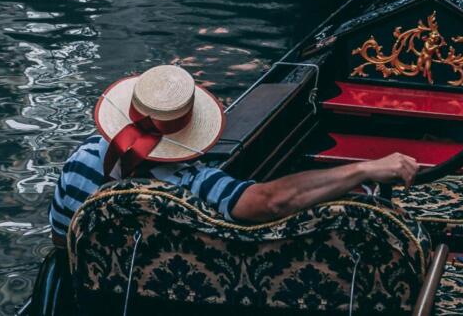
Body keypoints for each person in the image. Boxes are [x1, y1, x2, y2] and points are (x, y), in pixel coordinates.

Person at [46, 64, 420, 257]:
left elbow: (65, 246)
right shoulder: (192, 183)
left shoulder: (78, 166)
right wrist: (363, 168)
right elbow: (270, 201)